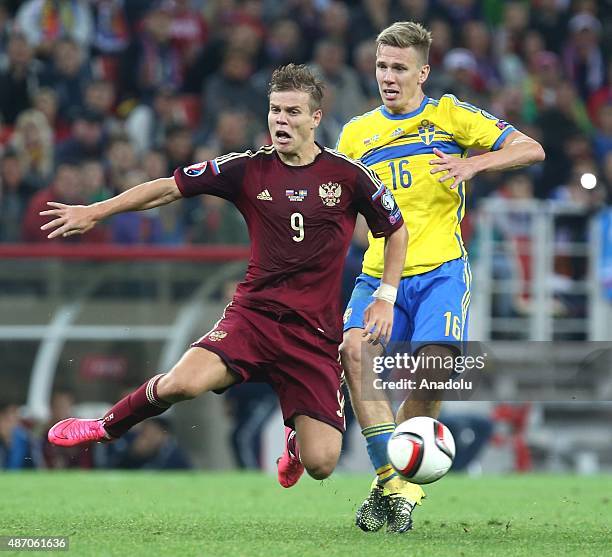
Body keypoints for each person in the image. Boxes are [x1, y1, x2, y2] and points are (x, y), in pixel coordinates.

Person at [43, 64, 408, 487]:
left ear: (315, 119)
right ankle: (106, 426)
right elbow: (166, 187)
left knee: (322, 463)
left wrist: (386, 295)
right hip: (253, 319)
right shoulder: (246, 169)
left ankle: (294, 443)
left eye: (292, 112)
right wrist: (96, 211)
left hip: (314, 335)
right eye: (275, 111)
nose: (281, 121)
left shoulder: (348, 176)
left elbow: (395, 230)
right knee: (182, 384)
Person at [336, 21, 545, 533]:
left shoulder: (449, 115)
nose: (388, 76)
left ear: (422, 72)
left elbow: (531, 148)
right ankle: (391, 479)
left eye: (399, 68)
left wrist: (476, 165)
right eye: (382, 66)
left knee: (430, 373)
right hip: (377, 274)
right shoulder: (356, 134)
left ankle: (400, 490)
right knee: (353, 353)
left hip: (441, 271)